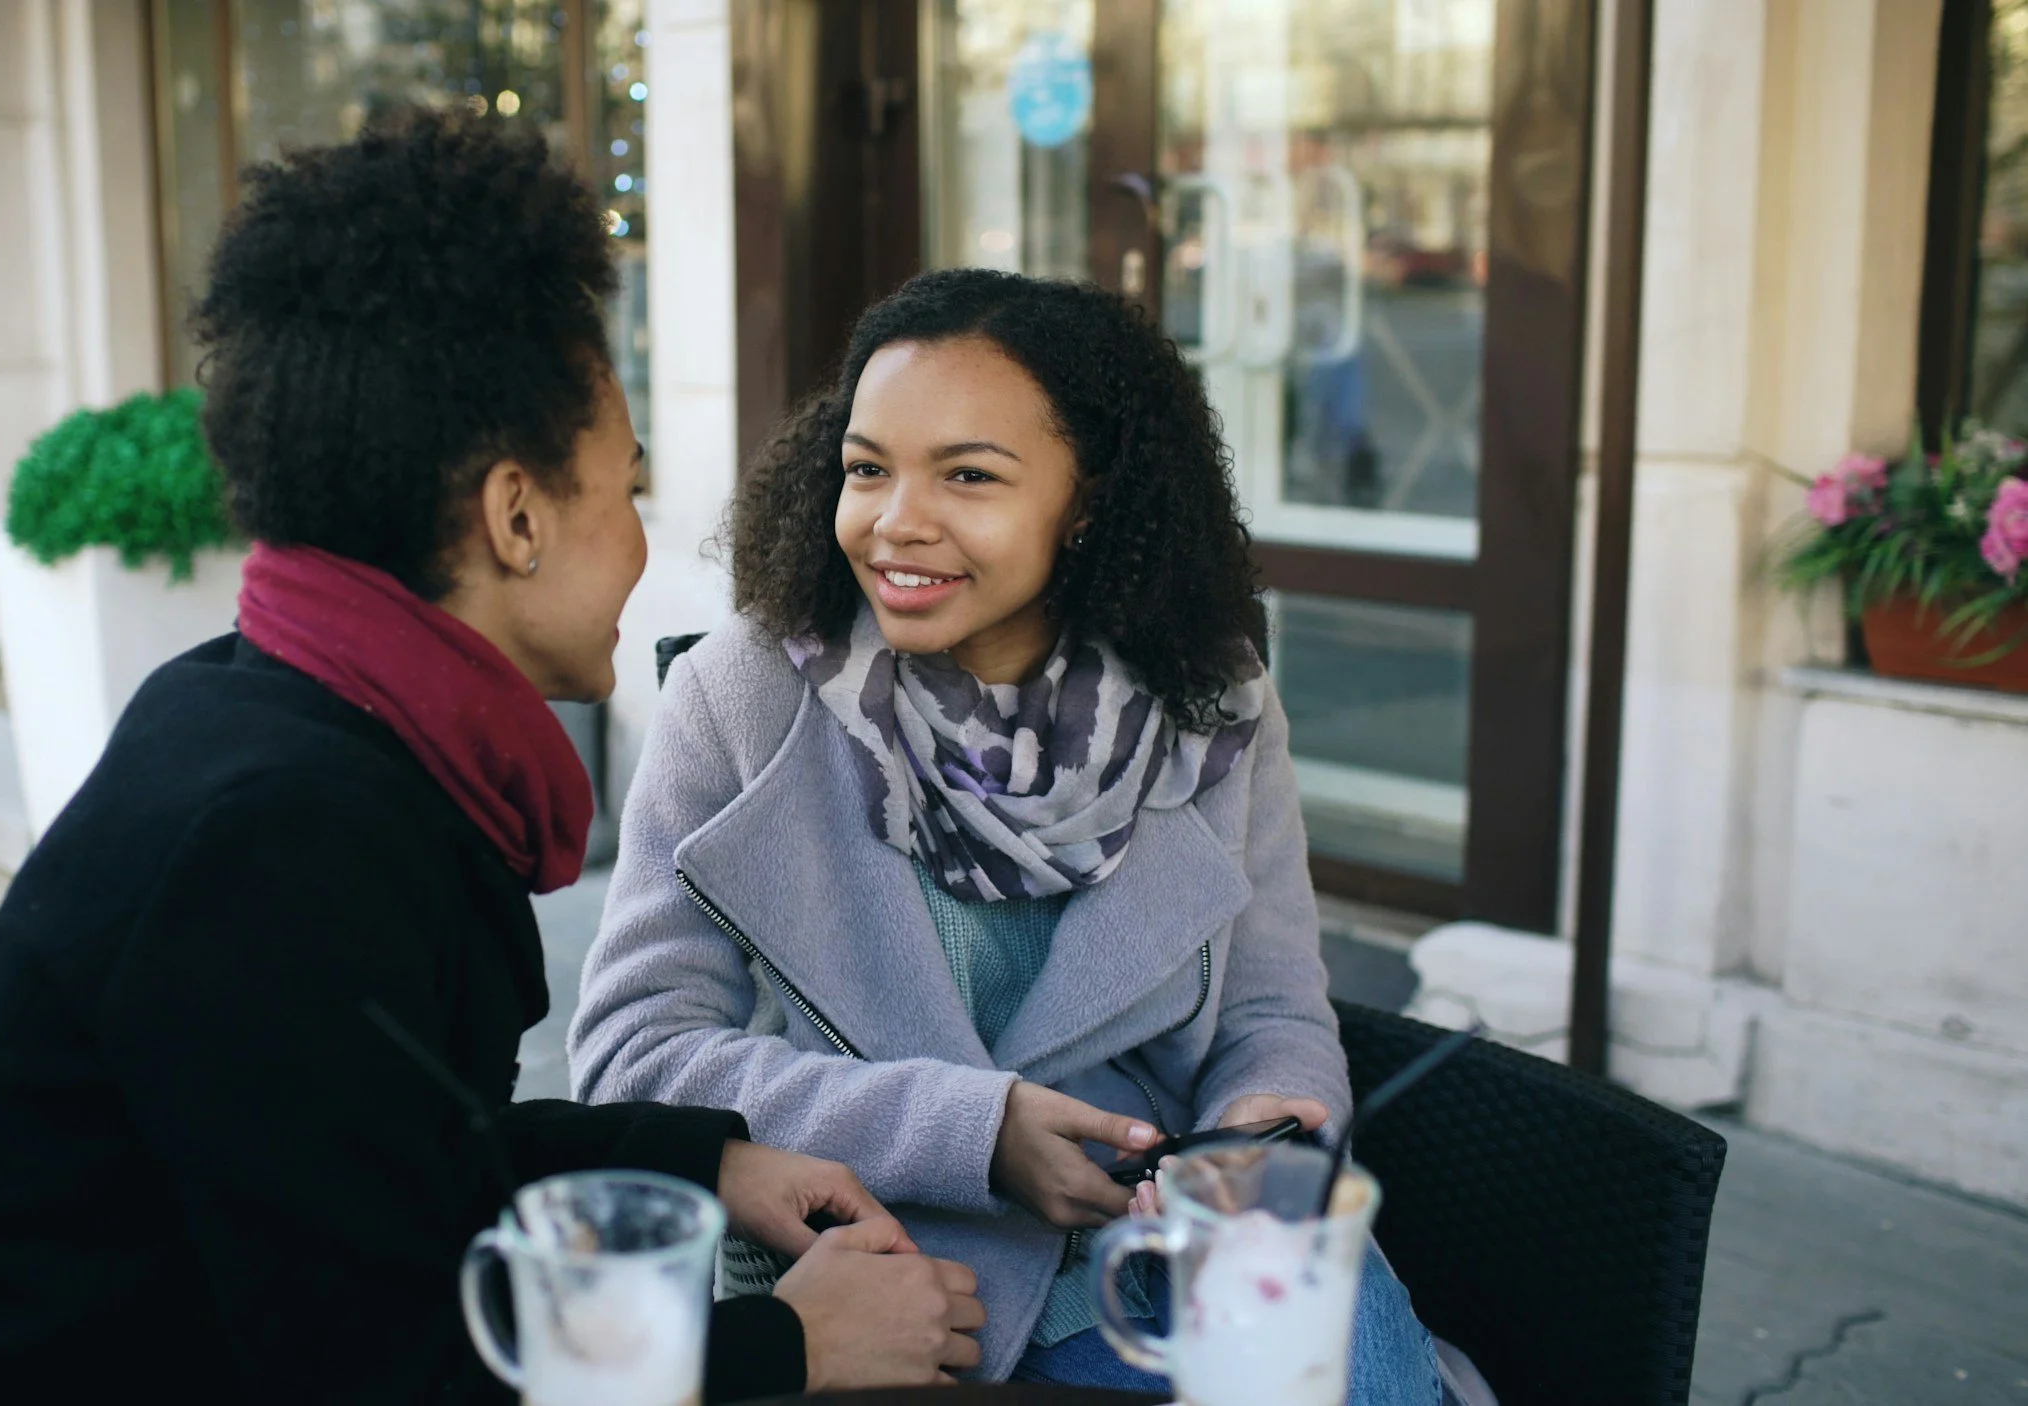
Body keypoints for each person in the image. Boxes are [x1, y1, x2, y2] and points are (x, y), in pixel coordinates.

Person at [0, 109, 985, 1404]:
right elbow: (387, 1366)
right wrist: (794, 1345)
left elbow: (378, 1152)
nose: (637, 543)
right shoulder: (275, 842)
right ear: (516, 516)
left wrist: (696, 1162)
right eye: (625, 490)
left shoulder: (293, 716)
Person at [568, 269, 1453, 1399]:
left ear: (1086, 500)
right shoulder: (741, 696)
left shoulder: (1211, 703)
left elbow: (1272, 1009)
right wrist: (971, 1132)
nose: (895, 521)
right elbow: (632, 1053)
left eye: (969, 476)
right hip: (898, 1272)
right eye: (866, 467)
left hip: (1175, 1245)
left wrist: (1255, 1130)